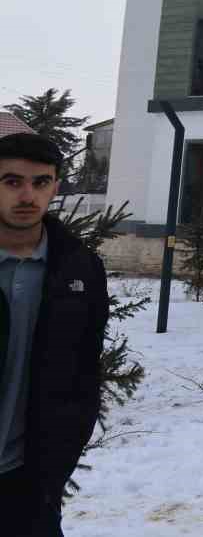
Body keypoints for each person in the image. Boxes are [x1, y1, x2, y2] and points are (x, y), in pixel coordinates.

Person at [0, 132, 109, 537]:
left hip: (28, 484)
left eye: (40, 182)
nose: (28, 195)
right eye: (12, 182)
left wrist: (55, 466)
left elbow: (83, 371)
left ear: (55, 188)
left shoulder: (78, 269)